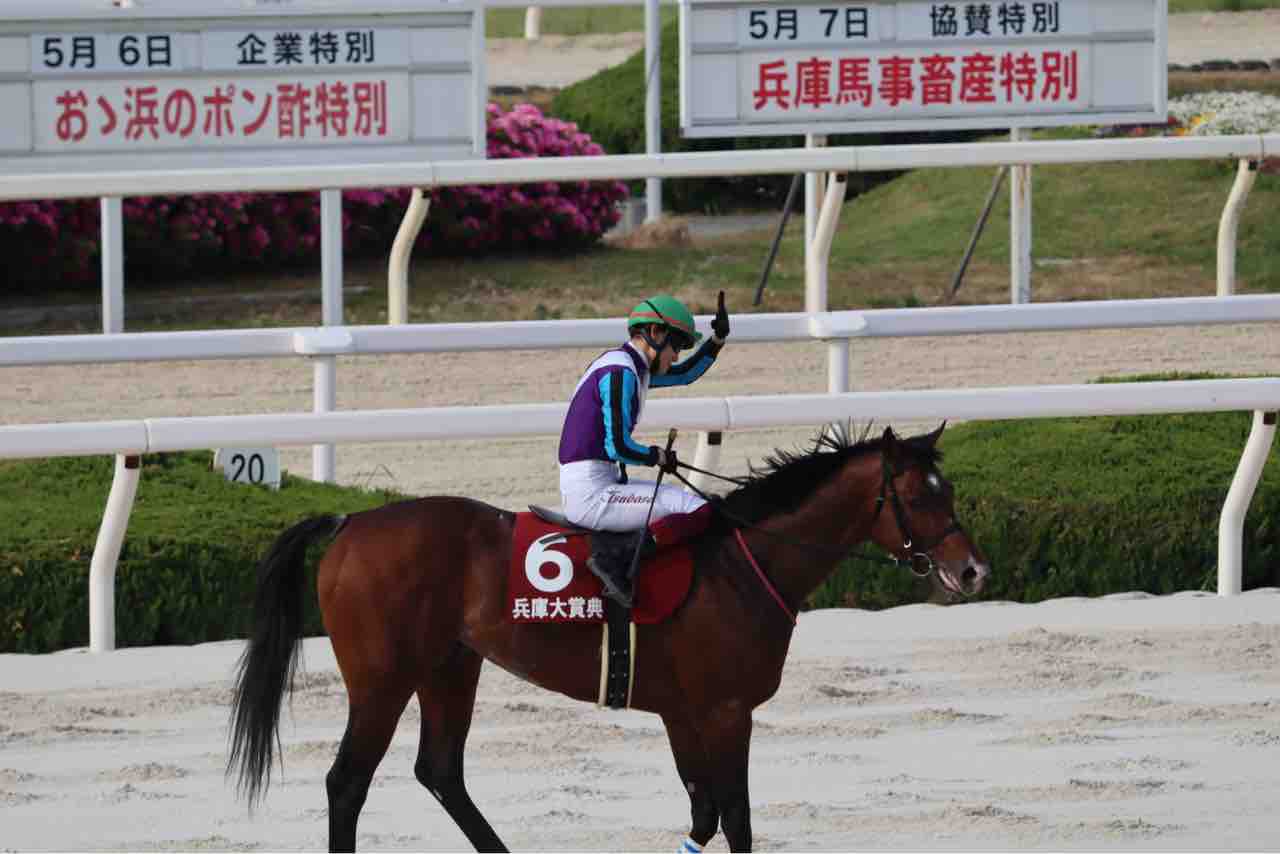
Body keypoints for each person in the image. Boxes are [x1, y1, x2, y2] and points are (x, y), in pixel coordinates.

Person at [557, 292, 731, 605]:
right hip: (591, 493)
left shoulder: (631, 367)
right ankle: (614, 560)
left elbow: (686, 374)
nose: (676, 356)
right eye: (676, 346)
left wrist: (717, 340)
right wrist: (657, 456)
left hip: (603, 480)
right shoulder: (620, 373)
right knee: (696, 509)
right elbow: (618, 447)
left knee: (690, 502)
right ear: (655, 333)